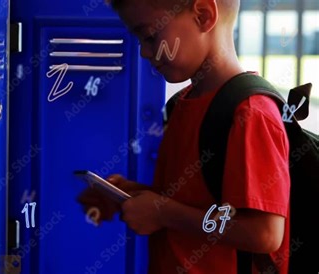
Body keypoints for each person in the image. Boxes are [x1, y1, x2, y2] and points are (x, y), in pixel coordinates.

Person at [77, 0, 291, 273]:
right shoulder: (182, 104)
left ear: (203, 15)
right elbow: (197, 202)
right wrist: (134, 195)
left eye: (151, 36)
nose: (143, 52)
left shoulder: (250, 114)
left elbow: (263, 233)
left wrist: (163, 213)